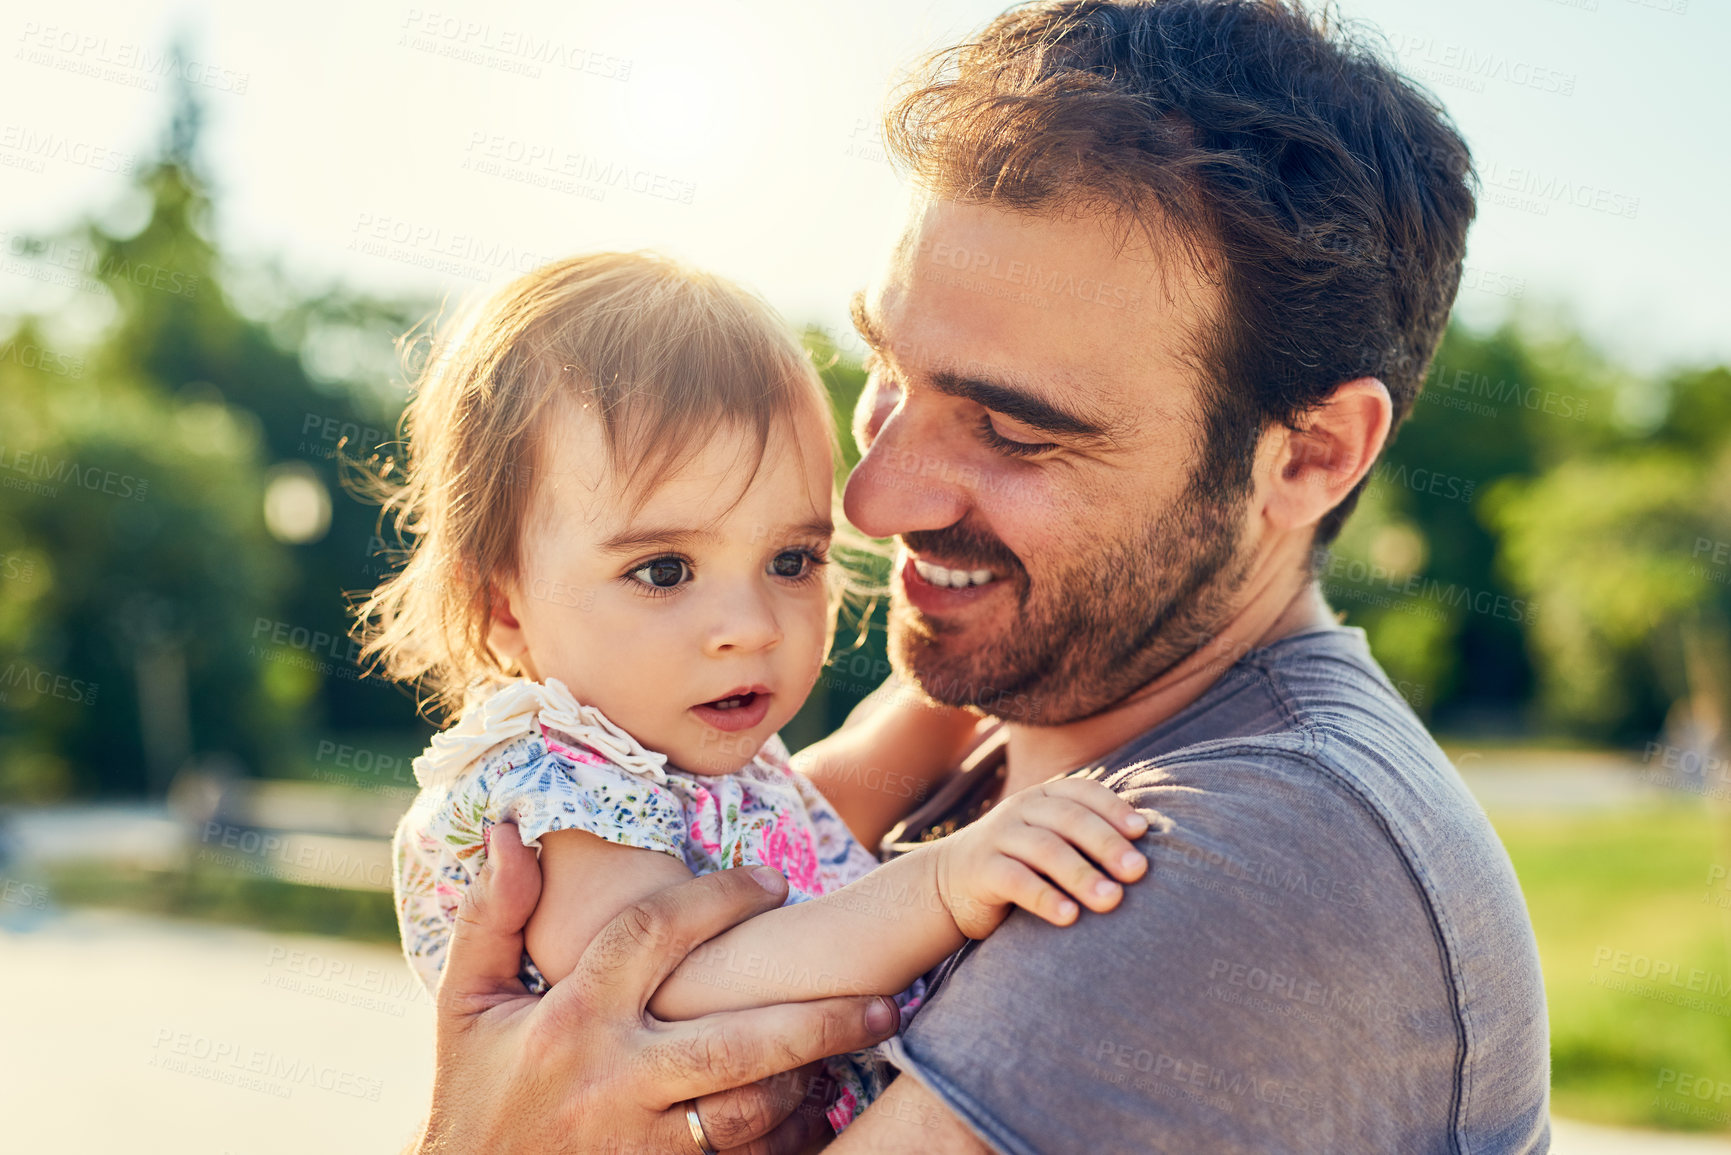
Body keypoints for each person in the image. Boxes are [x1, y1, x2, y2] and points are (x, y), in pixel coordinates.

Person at [416, 1, 1551, 1151]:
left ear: (1309, 454)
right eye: (889, 369)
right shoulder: (1018, 719)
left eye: (1012, 429)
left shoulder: (1247, 853)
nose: (869, 501)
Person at [363, 251, 1152, 1137]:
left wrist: (986, 663)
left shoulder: (680, 746)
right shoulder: (554, 787)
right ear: (501, 606)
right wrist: (944, 882)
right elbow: (676, 977)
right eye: (663, 570)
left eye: (791, 560)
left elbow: (833, 794)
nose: (751, 623)